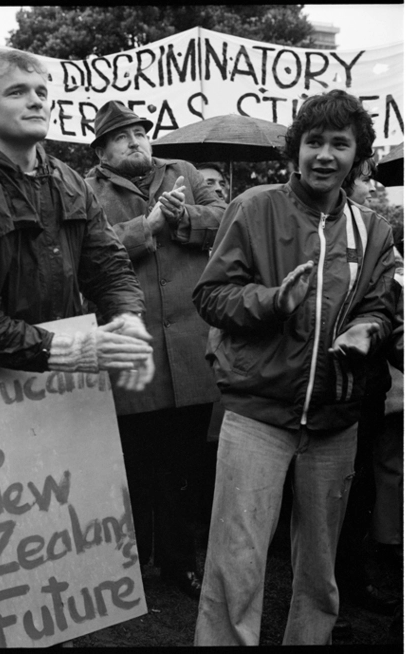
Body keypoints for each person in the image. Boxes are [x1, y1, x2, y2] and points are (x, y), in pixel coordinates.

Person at [0, 49, 155, 646]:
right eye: (19, 91)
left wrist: (127, 320)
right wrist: (73, 353)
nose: (38, 99)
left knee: (58, 540)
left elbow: (108, 263)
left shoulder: (67, 179)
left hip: (52, 393)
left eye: (44, 90)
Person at [192, 89, 396, 646]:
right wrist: (272, 302)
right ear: (295, 149)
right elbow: (210, 296)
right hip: (256, 415)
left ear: (358, 154)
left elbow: (383, 305)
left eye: (339, 143)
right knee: (235, 565)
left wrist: (367, 330)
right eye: (313, 142)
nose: (324, 155)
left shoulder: (373, 229)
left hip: (336, 421)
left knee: (319, 578)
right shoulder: (255, 207)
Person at [85, 101, 226, 598]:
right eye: (122, 136)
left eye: (141, 132)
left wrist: (182, 215)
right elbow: (89, 251)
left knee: (184, 466)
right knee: (134, 464)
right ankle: (130, 567)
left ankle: (178, 563)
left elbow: (224, 219)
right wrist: (147, 229)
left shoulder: (184, 172)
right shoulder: (87, 190)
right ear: (101, 150)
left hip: (188, 351)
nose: (136, 141)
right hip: (133, 352)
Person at [333, 157, 400, 623]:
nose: (366, 190)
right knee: (323, 499)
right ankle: (319, 590)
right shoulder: (309, 231)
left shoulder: (381, 238)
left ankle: (352, 582)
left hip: (368, 387)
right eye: (362, 181)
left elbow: (390, 313)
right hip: (320, 389)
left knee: (358, 493)